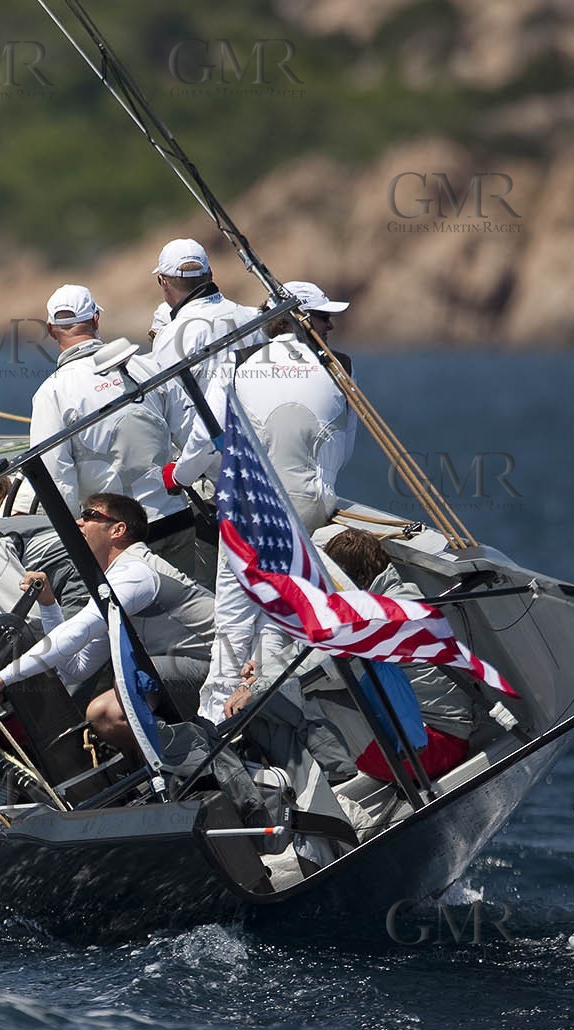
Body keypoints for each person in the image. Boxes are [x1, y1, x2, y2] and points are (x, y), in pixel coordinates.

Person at [0, 493, 214, 755]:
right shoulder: (112, 582)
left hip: (217, 661)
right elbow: (76, 669)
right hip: (184, 664)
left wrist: (2, 678)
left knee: (129, 681)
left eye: (90, 515)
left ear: (118, 530)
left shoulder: (134, 571)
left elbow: (76, 631)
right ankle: (194, 759)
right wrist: (49, 604)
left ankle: (206, 757)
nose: (79, 522)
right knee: (103, 714)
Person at [28, 282, 198, 577]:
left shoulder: (52, 393)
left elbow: (56, 479)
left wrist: (76, 541)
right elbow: (192, 434)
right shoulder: (147, 367)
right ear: (96, 319)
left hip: (117, 538)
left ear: (50, 329)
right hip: (174, 518)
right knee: (186, 604)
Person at [317, 529, 490, 781]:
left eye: (336, 581)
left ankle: (316, 783)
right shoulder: (406, 595)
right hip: (444, 739)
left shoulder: (374, 618)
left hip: (428, 750)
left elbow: (326, 668)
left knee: (306, 695)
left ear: (358, 579)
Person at [235, 281, 357, 533]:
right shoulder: (341, 366)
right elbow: (345, 453)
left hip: (252, 503)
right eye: (323, 317)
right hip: (314, 507)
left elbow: (212, 439)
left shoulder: (238, 361)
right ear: (297, 319)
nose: (331, 325)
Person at [147, 237, 266, 494]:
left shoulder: (171, 337)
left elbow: (167, 410)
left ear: (163, 281)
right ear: (210, 274)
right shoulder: (252, 318)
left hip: (211, 475)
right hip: (264, 461)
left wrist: (180, 474)